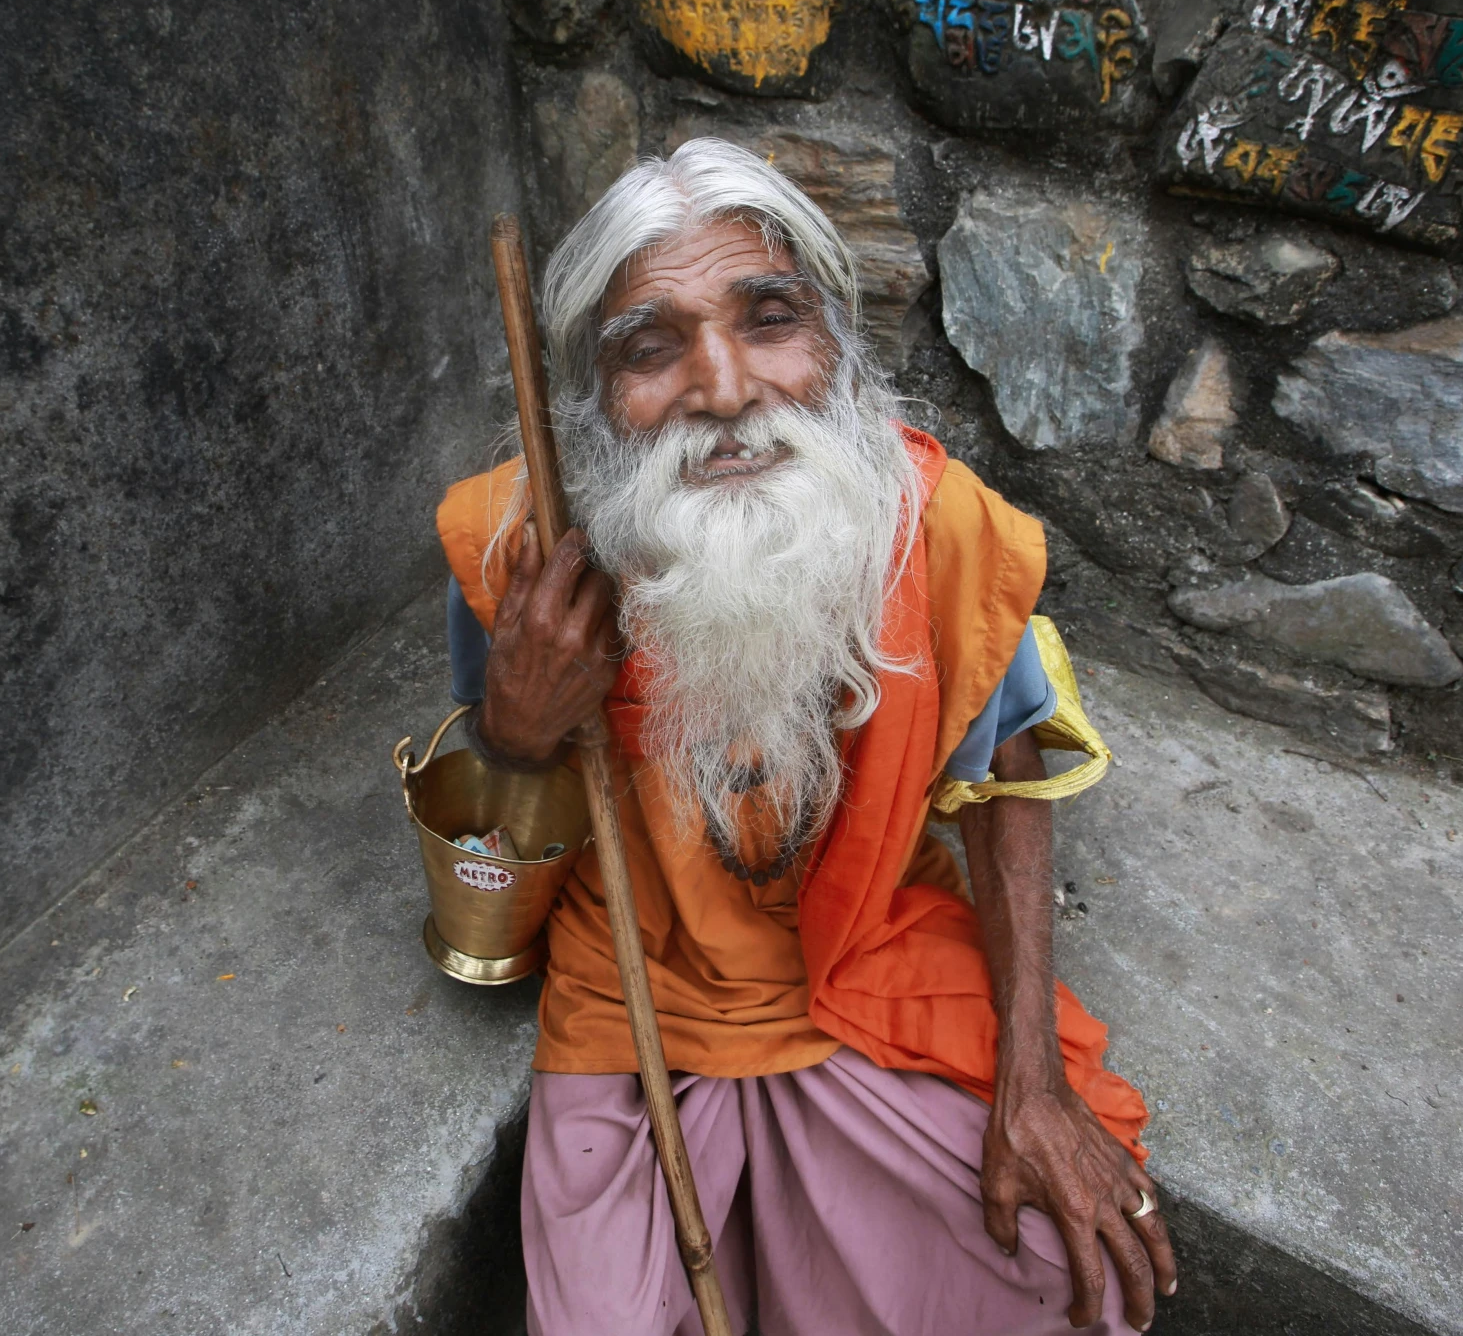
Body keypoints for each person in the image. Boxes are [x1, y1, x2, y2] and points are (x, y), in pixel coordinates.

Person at [434, 139, 1176, 1335]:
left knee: (1050, 1269)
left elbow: (1008, 776)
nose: (722, 387)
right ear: (595, 399)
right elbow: (483, 821)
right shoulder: (518, 540)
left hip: (869, 951)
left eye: (766, 317)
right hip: (639, 988)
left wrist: (1030, 1084)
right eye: (652, 345)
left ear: (836, 343)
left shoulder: (937, 527)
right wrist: (517, 734)